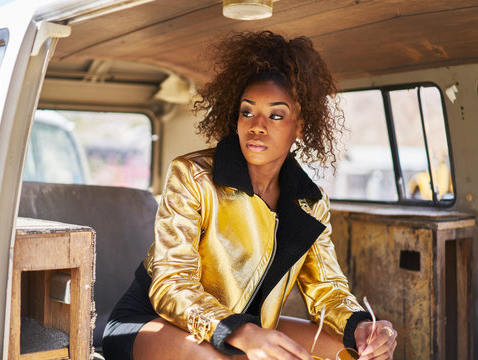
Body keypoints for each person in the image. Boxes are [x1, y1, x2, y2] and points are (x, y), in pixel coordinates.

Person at [102, 31, 397, 360]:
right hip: (152, 320)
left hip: (248, 325)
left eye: (275, 115)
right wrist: (239, 332)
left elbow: (327, 291)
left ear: (300, 125)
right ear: (235, 117)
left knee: (352, 350)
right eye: (247, 112)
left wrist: (360, 326)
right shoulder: (193, 175)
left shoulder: (311, 203)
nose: (257, 125)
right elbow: (172, 284)